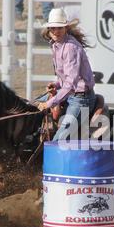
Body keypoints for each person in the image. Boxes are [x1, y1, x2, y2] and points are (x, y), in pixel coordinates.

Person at [36, 8, 96, 141]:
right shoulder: (57, 45)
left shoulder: (70, 47)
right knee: (31, 106)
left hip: (81, 99)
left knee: (59, 139)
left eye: (59, 28)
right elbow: (67, 78)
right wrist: (57, 84)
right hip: (70, 94)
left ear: (65, 28)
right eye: (53, 28)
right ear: (49, 29)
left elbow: (71, 84)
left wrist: (50, 102)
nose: (56, 31)